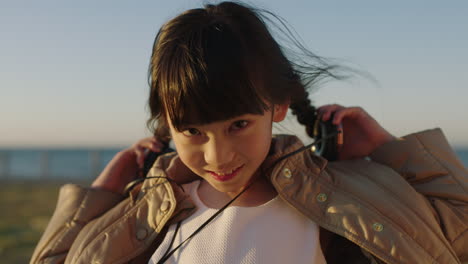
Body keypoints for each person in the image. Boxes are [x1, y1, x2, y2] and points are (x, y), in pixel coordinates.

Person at [31, 1, 467, 264]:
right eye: (192, 131)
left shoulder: (345, 197)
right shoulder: (145, 213)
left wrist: (387, 148)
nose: (219, 156)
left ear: (277, 106)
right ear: (167, 124)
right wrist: (107, 188)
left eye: (238, 125)